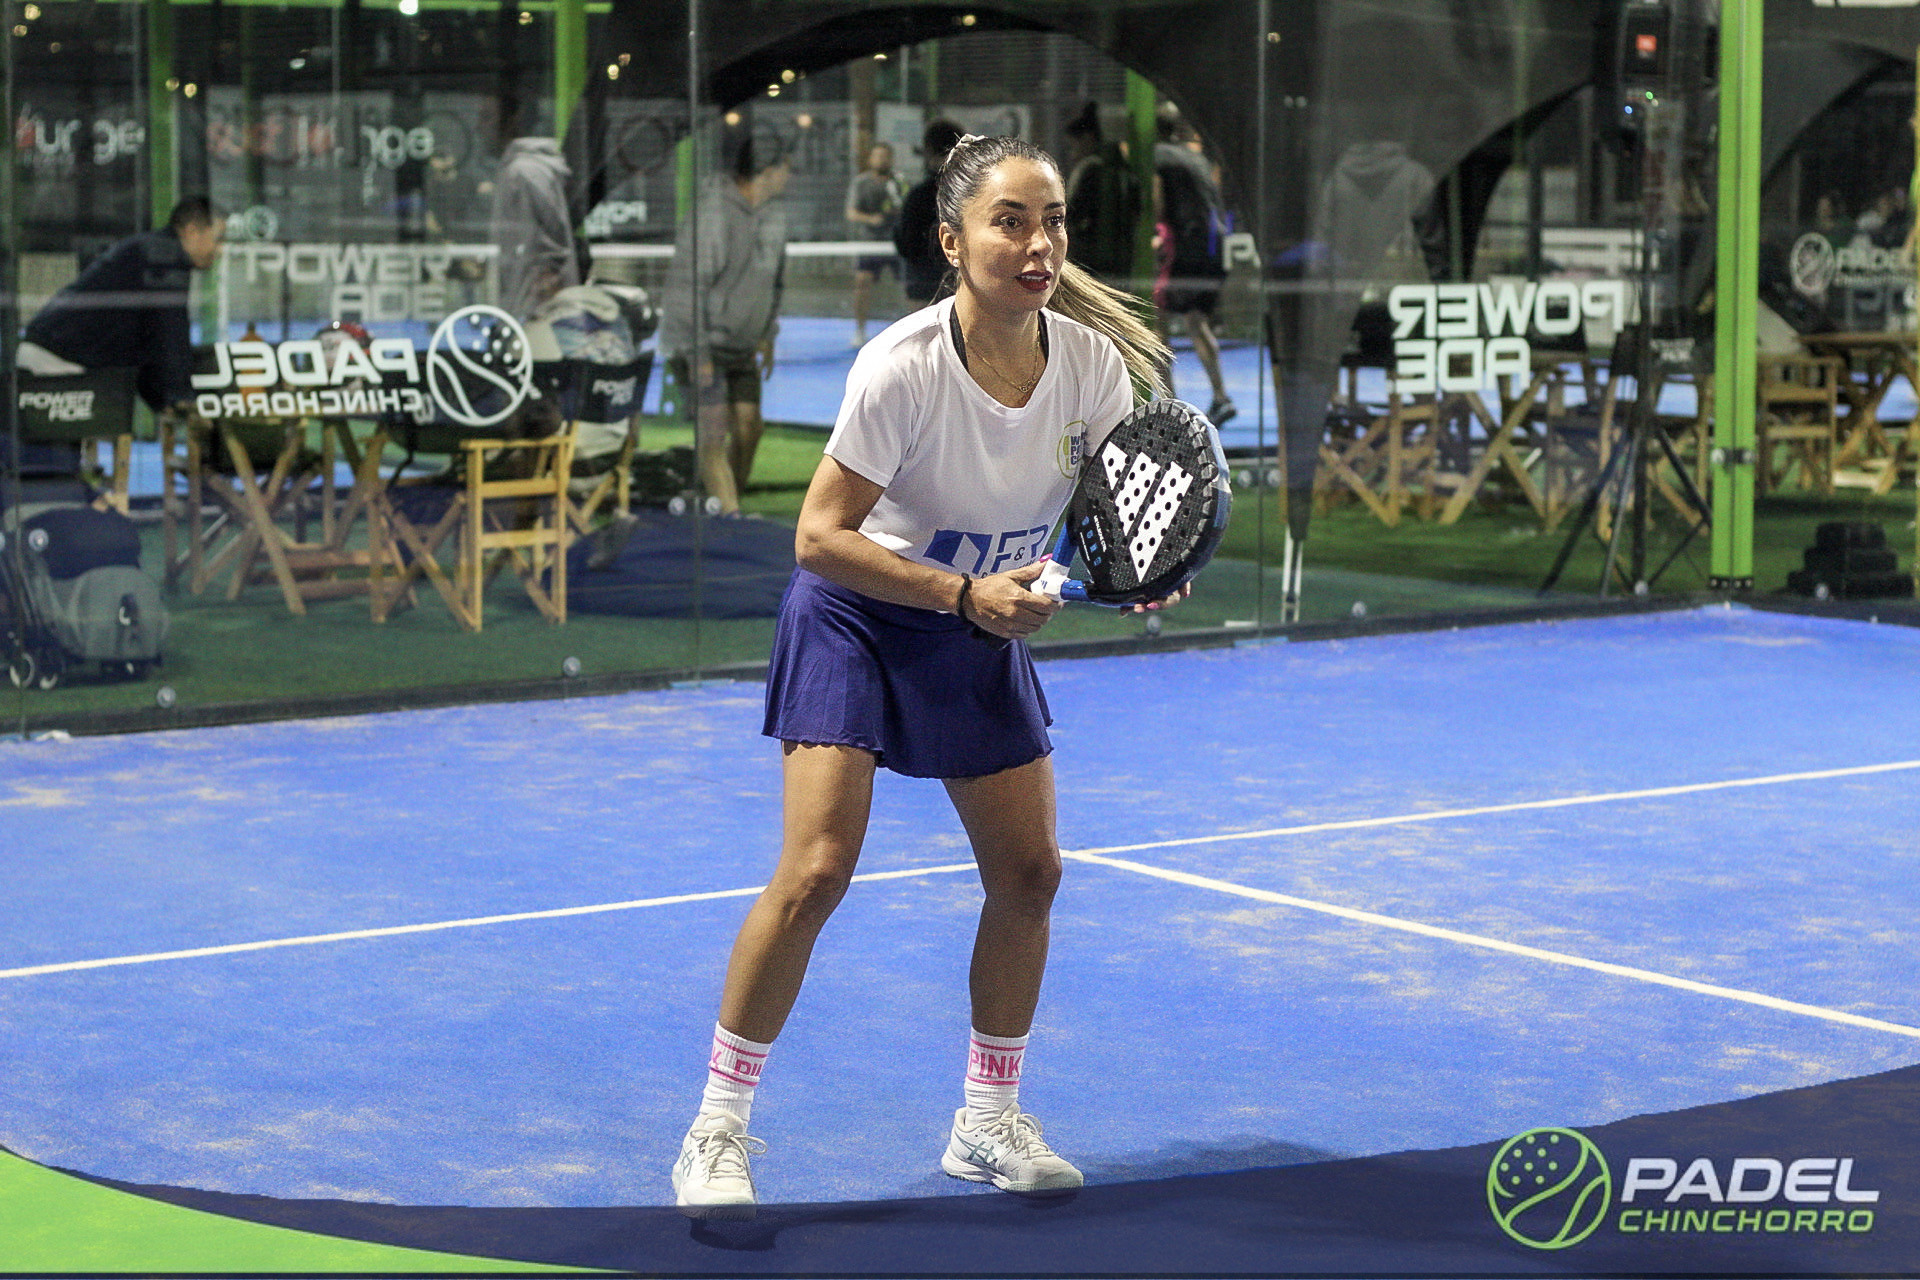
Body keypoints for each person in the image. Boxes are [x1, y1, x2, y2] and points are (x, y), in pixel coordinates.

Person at [669, 135, 1180, 1219]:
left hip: (975, 619)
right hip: (858, 615)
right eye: (1010, 222)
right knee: (816, 870)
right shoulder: (901, 366)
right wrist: (960, 596)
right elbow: (817, 537)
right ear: (952, 242)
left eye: (1052, 221)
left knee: (1031, 873)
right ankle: (716, 1129)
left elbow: (1121, 508)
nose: (1038, 244)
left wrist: (1143, 571)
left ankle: (987, 1120)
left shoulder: (1090, 367)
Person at [659, 135, 792, 514]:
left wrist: (767, 335)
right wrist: (698, 354)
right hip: (701, 345)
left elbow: (776, 281)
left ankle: (724, 508)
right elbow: (689, 288)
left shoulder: (774, 216)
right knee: (713, 433)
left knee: (749, 428)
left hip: (742, 348)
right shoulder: (713, 215)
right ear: (766, 171)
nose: (790, 176)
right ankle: (731, 516)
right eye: (785, 168)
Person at [20, 196, 227, 416]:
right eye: (218, 239)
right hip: (58, 362)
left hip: (54, 355)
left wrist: (167, 401)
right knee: (90, 434)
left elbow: (151, 342)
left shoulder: (154, 250)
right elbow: (168, 333)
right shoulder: (163, 255)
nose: (220, 249)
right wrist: (181, 399)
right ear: (192, 231)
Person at [1152, 104, 1235, 426]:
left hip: (1183, 248)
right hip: (1213, 247)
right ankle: (1221, 396)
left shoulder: (1157, 158)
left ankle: (1170, 405)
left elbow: (1158, 205)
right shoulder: (1196, 157)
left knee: (1156, 321)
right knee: (1197, 321)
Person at [490, 130, 580, 321]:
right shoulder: (522, 169)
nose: (479, 127)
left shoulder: (524, 171)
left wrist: (529, 305)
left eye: (486, 118)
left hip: (533, 306)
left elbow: (551, 240)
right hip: (530, 301)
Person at [1062, 102, 1142, 285]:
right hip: (1122, 264)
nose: (1072, 154)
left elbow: (1071, 216)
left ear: (1088, 138)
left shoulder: (1089, 168)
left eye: (1074, 146)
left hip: (1090, 266)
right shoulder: (1126, 172)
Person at [893, 120, 966, 306]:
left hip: (924, 287)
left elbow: (906, 244)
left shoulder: (919, 196)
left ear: (929, 152)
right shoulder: (973, 195)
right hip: (964, 287)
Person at [845, 142, 904, 345]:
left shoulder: (899, 182)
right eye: (878, 156)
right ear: (871, 159)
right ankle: (860, 330)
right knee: (862, 283)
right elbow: (851, 212)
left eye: (885, 156)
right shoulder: (861, 183)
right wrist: (872, 219)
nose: (881, 160)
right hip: (869, 243)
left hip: (896, 243)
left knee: (908, 287)